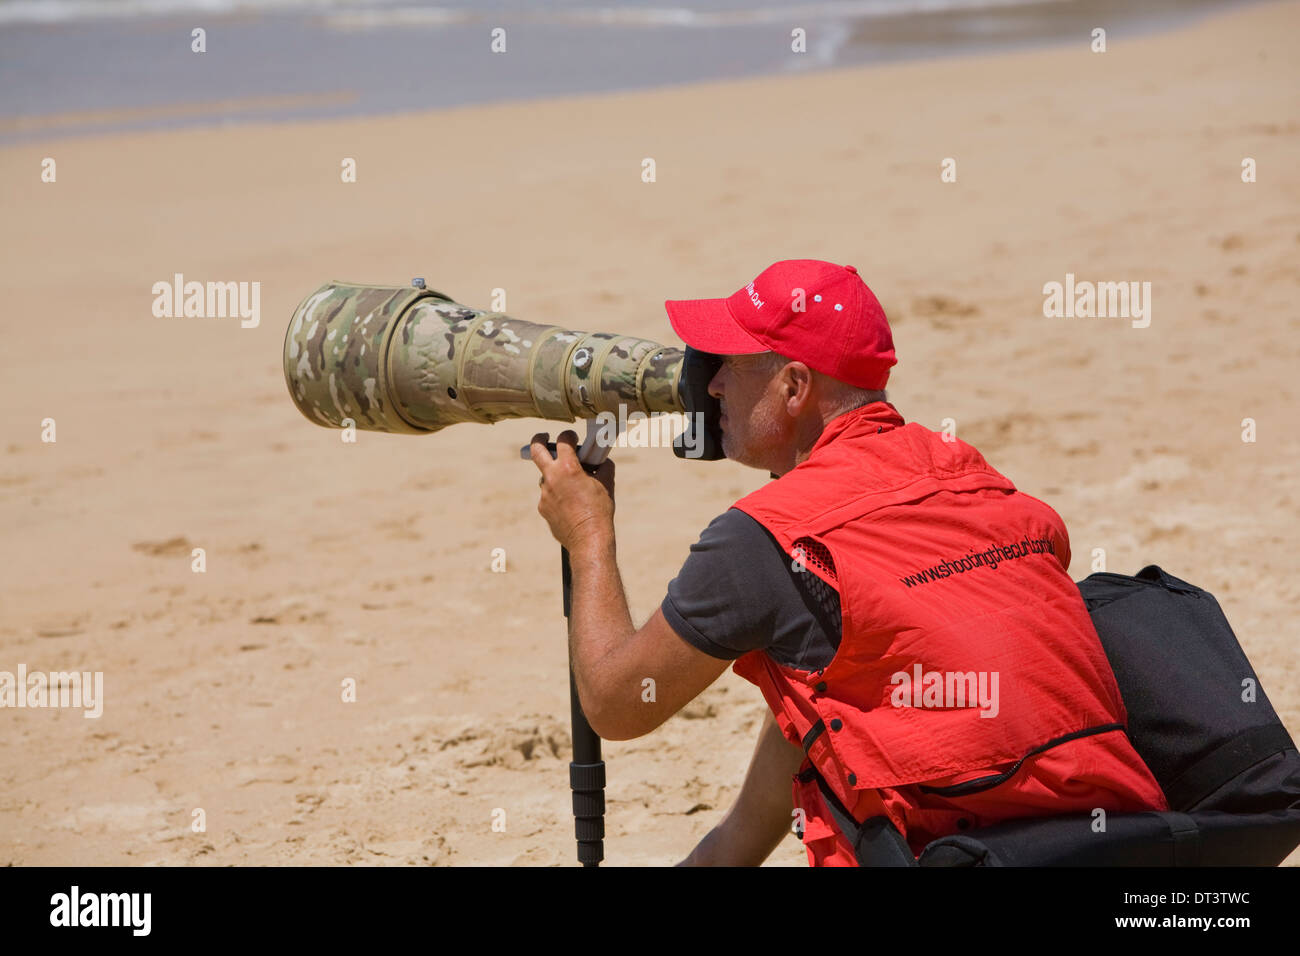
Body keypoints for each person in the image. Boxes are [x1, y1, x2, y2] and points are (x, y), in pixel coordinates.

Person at [529, 259, 1167, 866]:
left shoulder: (765, 538)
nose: (713, 382)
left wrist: (588, 535)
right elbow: (843, 696)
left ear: (795, 386)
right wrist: (721, 856)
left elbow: (617, 704)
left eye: (732, 364)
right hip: (1139, 845)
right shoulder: (973, 476)